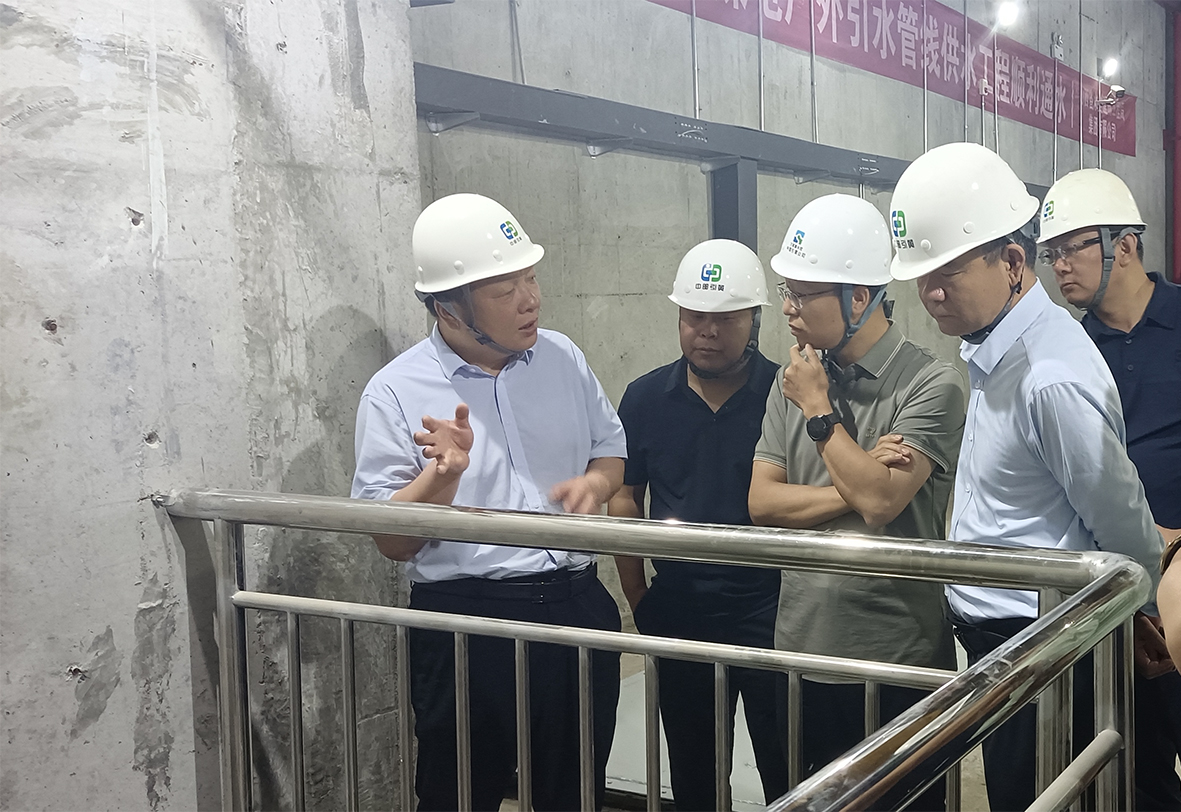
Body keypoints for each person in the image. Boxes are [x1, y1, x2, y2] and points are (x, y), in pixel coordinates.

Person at [888, 142, 1165, 812]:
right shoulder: (999, 347)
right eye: (921, 276)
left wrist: (1143, 609)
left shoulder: (1049, 375)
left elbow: (1120, 515)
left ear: (1012, 262)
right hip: (1006, 644)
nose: (930, 294)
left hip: (1041, 648)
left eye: (947, 273)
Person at [350, 193, 627, 811]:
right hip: (468, 623)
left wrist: (596, 486)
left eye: (531, 278)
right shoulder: (394, 391)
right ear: (447, 307)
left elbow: (610, 451)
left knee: (575, 792)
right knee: (459, 793)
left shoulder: (563, 358)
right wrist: (441, 477)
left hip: (576, 604)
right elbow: (391, 540)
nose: (530, 299)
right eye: (505, 290)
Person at [747, 194, 963, 810]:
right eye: (786, 292)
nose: (787, 309)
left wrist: (820, 412)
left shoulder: (932, 383)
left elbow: (880, 504)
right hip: (800, 651)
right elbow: (762, 502)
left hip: (896, 661)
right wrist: (857, 479)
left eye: (801, 295)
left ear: (859, 298)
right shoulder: (792, 378)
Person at [608, 239, 787, 809]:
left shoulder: (784, 394)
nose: (706, 332)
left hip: (772, 610)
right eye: (693, 316)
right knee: (694, 775)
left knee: (789, 768)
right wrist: (639, 596)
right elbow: (625, 496)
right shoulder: (644, 398)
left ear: (754, 320)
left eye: (725, 318)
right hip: (679, 609)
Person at [1040, 167, 1181, 810]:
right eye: (1051, 253)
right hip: (1114, 594)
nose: (1059, 267)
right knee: (1134, 771)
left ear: (1123, 246)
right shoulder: (1066, 349)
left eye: (1071, 248)